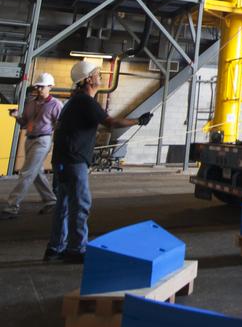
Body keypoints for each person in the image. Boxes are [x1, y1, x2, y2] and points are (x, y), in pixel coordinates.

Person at [44, 59, 152, 264]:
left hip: (63, 160)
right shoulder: (85, 101)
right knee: (81, 204)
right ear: (87, 80)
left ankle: (55, 248)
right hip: (74, 161)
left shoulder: (74, 101)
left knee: (64, 205)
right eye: (96, 73)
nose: (100, 76)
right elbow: (110, 123)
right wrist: (139, 120)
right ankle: (76, 249)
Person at [2, 73, 63, 218]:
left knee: (26, 172)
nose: (39, 89)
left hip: (43, 141)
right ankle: (51, 200)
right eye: (38, 86)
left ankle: (12, 207)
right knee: (36, 173)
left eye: (42, 87)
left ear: (50, 87)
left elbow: (61, 124)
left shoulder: (56, 104)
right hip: (30, 139)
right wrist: (16, 116)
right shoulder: (31, 103)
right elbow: (24, 123)